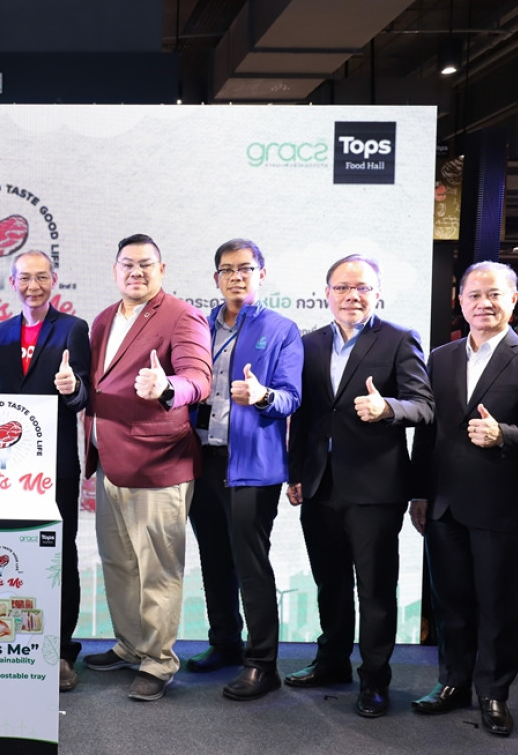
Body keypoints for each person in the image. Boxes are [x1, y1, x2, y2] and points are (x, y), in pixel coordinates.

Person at [409, 261, 518, 737]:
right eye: (474, 295)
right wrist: (418, 493)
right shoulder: (440, 358)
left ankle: (494, 693)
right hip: (443, 506)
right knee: (450, 603)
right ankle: (452, 682)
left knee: (497, 607)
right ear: (460, 302)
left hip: (502, 508)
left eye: (494, 294)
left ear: (513, 300)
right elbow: (428, 433)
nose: (484, 303)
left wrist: (504, 435)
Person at [286, 254, 433, 718]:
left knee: (374, 589)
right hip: (320, 485)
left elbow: (424, 406)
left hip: (375, 489)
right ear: (327, 293)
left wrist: (389, 408)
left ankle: (374, 680)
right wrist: (295, 473)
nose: (353, 295)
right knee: (329, 583)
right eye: (343, 287)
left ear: (377, 293)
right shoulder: (309, 343)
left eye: (363, 288)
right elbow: (303, 416)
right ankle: (332, 662)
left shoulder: (399, 339)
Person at [81, 233, 212, 702]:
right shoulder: (103, 320)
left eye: (145, 264)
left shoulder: (182, 315)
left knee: (158, 569)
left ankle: (158, 660)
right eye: (127, 264)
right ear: (115, 270)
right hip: (110, 464)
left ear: (162, 269)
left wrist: (167, 386)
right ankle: (132, 644)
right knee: (119, 563)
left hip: (159, 465)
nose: (135, 272)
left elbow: (198, 378)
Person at [184, 239, 303, 701]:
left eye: (246, 269)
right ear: (216, 278)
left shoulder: (281, 329)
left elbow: (292, 397)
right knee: (213, 557)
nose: (236, 276)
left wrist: (262, 396)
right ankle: (225, 643)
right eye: (227, 270)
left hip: (253, 465)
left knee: (250, 563)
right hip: (203, 460)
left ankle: (262, 663)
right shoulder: (199, 326)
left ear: (261, 274)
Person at [0, 249, 91, 692]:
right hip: (8, 469)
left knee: (59, 555)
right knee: (14, 555)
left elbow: (84, 395)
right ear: (12, 282)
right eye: (25, 278)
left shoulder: (73, 328)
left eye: (42, 277)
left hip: (57, 464)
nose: (34, 286)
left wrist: (72, 387)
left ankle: (61, 649)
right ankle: (15, 640)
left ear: (54, 280)